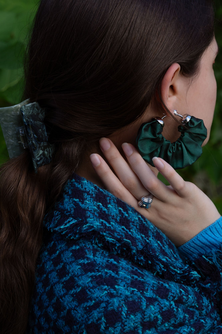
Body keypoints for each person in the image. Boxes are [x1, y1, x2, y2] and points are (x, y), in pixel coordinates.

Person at [0, 0, 222, 333]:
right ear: (172, 86)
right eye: (212, 64)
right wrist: (215, 244)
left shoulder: (55, 211)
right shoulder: (118, 309)